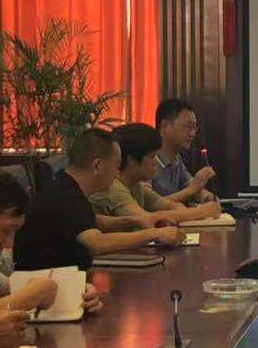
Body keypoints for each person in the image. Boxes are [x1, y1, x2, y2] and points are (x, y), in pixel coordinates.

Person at [14, 128, 185, 272]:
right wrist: (155, 234)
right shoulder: (65, 195)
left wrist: (133, 221)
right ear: (97, 166)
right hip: (48, 283)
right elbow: (97, 243)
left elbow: (89, 220)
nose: (118, 173)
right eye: (117, 165)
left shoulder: (65, 182)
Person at [0, 173, 102, 314]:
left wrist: (77, 289)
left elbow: (11, 287)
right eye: (5, 231)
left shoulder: (3, 258)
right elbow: (23, 294)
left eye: (15, 232)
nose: (9, 244)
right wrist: (24, 298)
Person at [91, 123, 221, 225]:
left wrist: (181, 211)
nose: (156, 163)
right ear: (131, 160)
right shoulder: (114, 187)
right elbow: (145, 219)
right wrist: (200, 212)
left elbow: (168, 205)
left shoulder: (136, 186)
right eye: (152, 157)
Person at [152, 99, 217, 203]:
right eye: (188, 127)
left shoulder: (177, 160)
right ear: (165, 126)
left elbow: (192, 188)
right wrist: (193, 188)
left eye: (194, 127)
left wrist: (207, 197)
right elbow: (150, 206)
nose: (193, 133)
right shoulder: (147, 159)